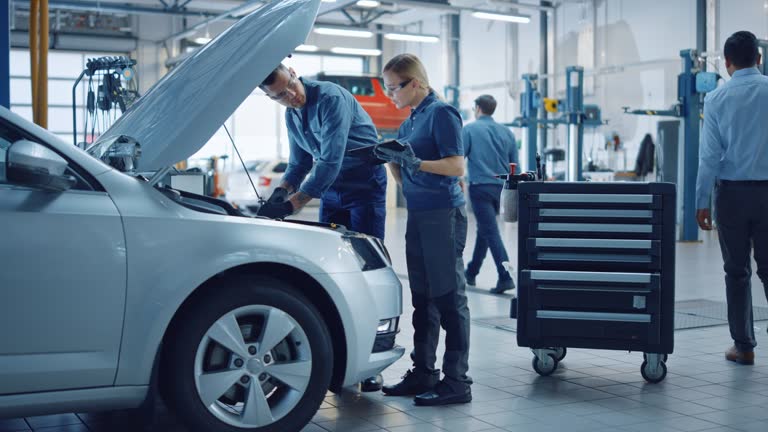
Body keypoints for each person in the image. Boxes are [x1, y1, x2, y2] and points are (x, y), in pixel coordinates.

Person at [259, 64, 386, 390]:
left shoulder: (330, 98)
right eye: (280, 97)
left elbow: (330, 158)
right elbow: (300, 162)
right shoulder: (292, 115)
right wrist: (280, 192)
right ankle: (340, 354)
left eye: (289, 86)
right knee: (333, 269)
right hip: (331, 192)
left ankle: (371, 362)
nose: (290, 96)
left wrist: (294, 204)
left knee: (367, 270)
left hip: (363, 187)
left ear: (292, 71)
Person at [376, 53, 472, 406]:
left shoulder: (441, 113)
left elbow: (456, 166)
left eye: (394, 88)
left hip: (442, 215)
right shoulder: (408, 123)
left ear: (415, 82)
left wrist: (418, 163)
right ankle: (424, 372)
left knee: (449, 298)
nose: (391, 96)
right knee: (423, 299)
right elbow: (407, 175)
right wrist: (394, 162)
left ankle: (457, 381)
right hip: (418, 214)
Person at [695, 30, 768, 366]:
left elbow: (709, 156)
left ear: (726, 64)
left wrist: (701, 201)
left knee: (736, 272)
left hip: (733, 196)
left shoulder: (717, 99)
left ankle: (744, 346)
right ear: (759, 58)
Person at [462, 94, 518, 294]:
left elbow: (459, 157)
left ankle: (505, 276)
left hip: (480, 188)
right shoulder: (507, 132)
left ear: (477, 108)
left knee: (490, 232)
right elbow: (514, 165)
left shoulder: (469, 129)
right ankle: (471, 272)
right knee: (485, 230)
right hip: (502, 189)